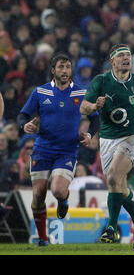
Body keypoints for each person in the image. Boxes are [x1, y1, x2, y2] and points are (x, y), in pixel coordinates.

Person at [80, 43, 134, 250]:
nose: (126, 58)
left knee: (112, 177)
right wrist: (94, 106)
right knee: (118, 185)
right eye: (121, 55)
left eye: (129, 54)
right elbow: (84, 106)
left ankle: (111, 227)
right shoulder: (101, 81)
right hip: (107, 140)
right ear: (112, 61)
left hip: (131, 138)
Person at [17, 53, 100, 247]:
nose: (65, 71)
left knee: (58, 190)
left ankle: (63, 201)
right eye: (61, 67)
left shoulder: (81, 93)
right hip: (42, 149)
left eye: (68, 67)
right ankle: (43, 238)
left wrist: (90, 134)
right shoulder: (40, 92)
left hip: (67, 151)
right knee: (38, 195)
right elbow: (23, 115)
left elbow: (96, 118)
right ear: (53, 71)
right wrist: (25, 125)